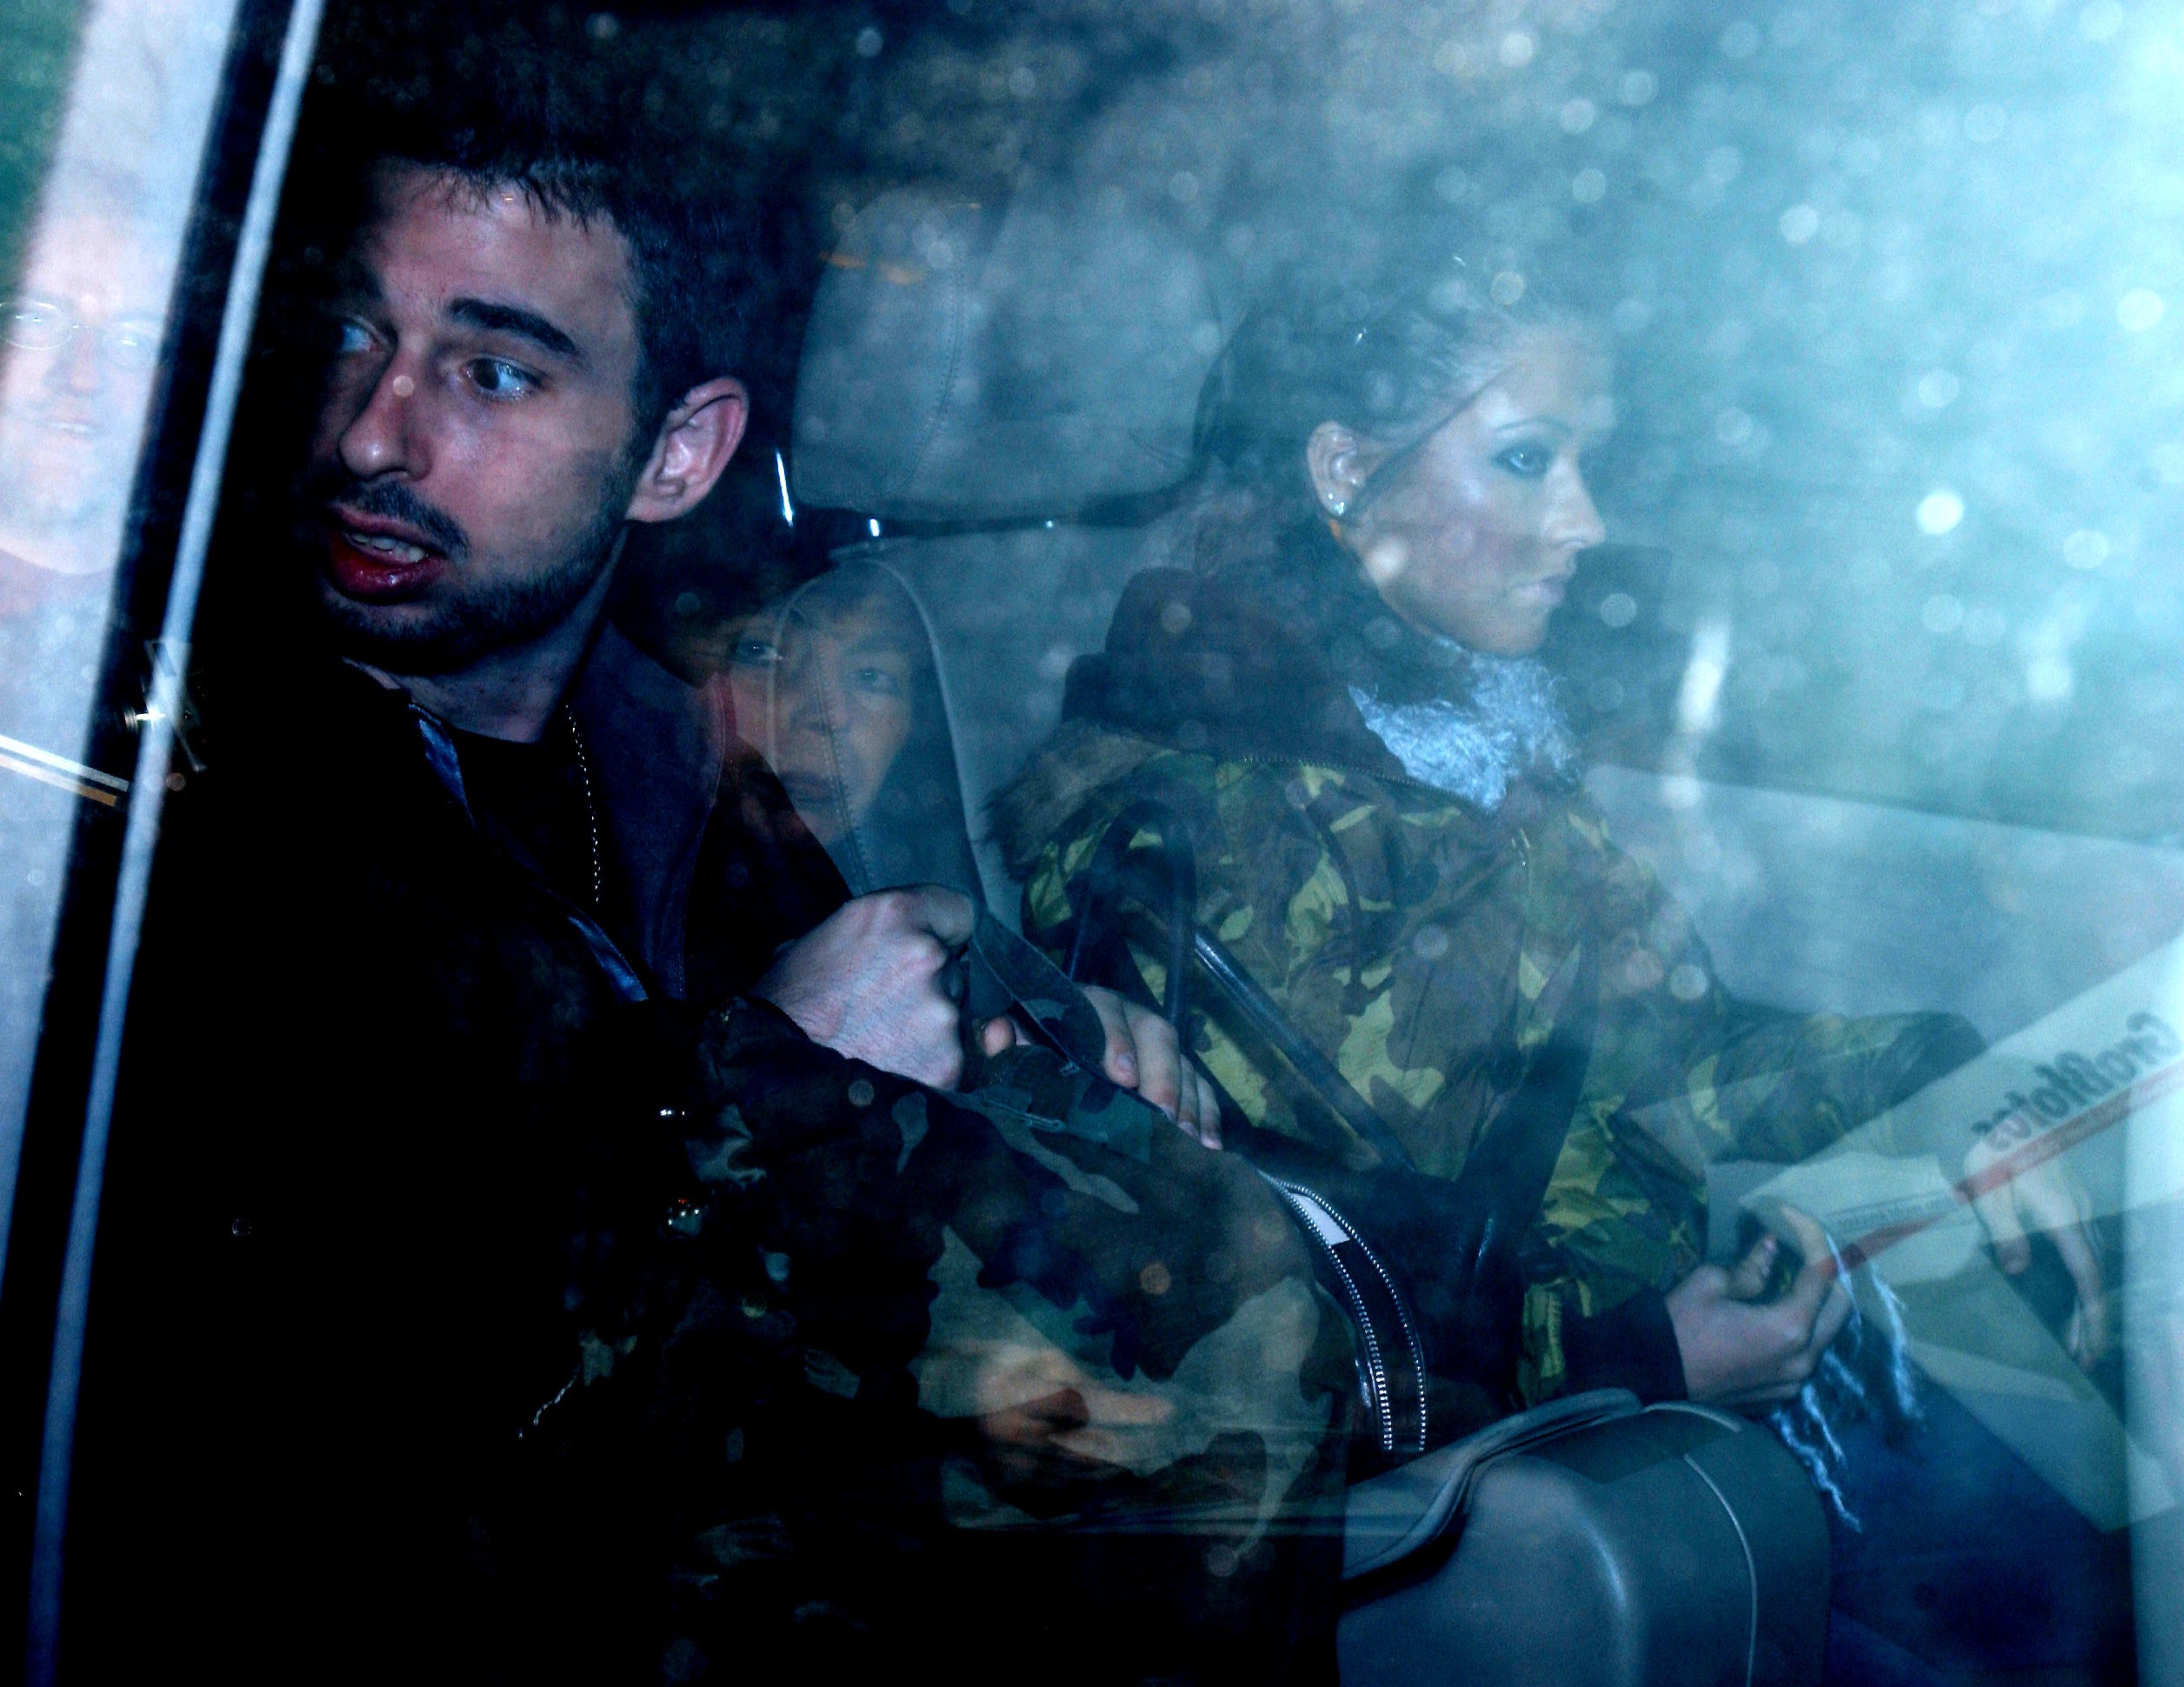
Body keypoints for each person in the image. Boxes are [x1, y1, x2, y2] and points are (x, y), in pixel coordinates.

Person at [65, 91, 1347, 1685]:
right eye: (352, 334)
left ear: (675, 457)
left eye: (492, 372)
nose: (373, 436)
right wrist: (756, 1078)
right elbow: (330, 1423)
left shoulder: (663, 759)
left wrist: (1039, 1045)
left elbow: (835, 1102)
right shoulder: (172, 797)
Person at [996, 264, 2131, 1680]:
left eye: (1587, 463)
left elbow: (1665, 1065)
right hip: (1500, 1504)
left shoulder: (1471, 752)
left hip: (1643, 1404)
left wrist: (1944, 1088)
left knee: (2085, 1535)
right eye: (1529, 461)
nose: (1584, 522)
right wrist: (1648, 1355)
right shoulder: (1212, 839)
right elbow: (1295, 1310)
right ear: (1343, 473)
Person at [722, 562, 984, 897]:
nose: (828, 715)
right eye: (762, 654)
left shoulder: (953, 892)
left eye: (870, 677)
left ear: (914, 725)